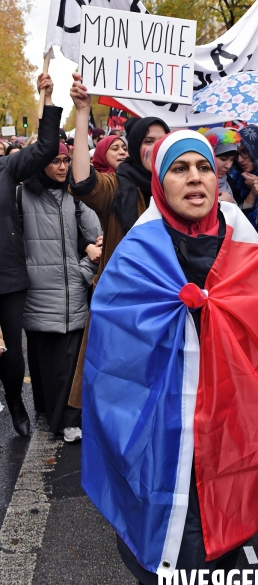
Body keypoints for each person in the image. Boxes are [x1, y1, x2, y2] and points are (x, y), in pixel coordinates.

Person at [81, 129, 258, 585]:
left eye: (202, 167)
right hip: (160, 437)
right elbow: (114, 355)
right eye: (179, 169)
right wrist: (177, 316)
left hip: (227, 431)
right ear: (160, 181)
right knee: (165, 560)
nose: (195, 178)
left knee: (221, 555)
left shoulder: (246, 245)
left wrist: (217, 310)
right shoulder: (137, 253)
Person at [67, 72, 170, 409]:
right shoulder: (118, 187)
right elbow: (82, 182)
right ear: (137, 144)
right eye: (149, 140)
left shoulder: (184, 190)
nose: (156, 147)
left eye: (163, 140)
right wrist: (83, 113)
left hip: (168, 314)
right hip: (122, 314)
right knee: (118, 405)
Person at [21, 142, 101, 442]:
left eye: (66, 160)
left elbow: (99, 240)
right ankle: (49, 413)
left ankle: (67, 421)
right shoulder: (20, 195)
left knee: (69, 364)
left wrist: (81, 270)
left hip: (71, 297)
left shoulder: (77, 198)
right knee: (45, 361)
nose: (63, 167)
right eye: (55, 161)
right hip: (37, 295)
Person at [0, 73, 62, 437]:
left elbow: (46, 148)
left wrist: (48, 97)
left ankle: (17, 406)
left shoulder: (7, 168)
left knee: (10, 354)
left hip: (7, 277)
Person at [199, 126, 241, 203]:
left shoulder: (228, 180)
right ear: (209, 156)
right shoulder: (195, 182)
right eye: (223, 159)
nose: (228, 165)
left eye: (232, 160)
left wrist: (252, 195)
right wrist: (219, 203)